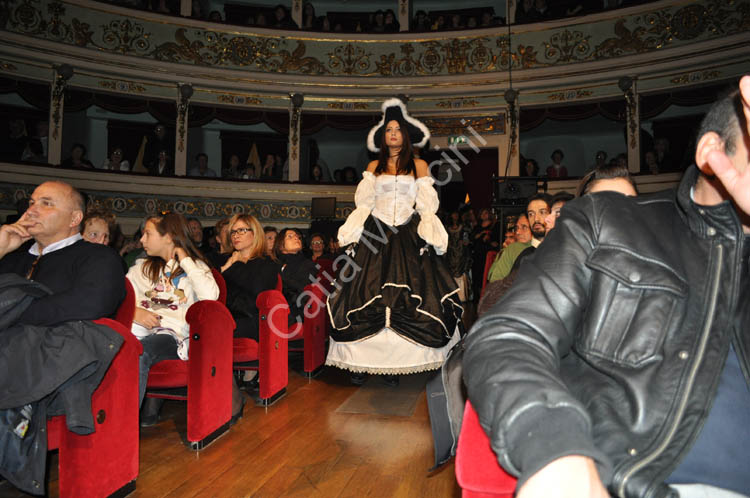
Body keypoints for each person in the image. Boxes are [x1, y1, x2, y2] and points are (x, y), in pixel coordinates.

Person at [464, 77, 750, 498]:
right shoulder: (604, 222)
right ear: (712, 153)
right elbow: (509, 332)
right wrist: (557, 450)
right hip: (636, 480)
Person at [326, 98, 463, 386]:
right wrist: (353, 232)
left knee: (415, 291)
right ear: (382, 136)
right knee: (364, 292)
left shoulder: (421, 165)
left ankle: (403, 365)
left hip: (409, 235)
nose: (392, 133)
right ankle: (362, 363)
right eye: (388, 129)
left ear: (406, 134)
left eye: (397, 129)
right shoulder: (374, 165)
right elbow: (365, 204)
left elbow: (426, 205)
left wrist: (428, 229)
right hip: (375, 234)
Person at [127, 213, 227, 425]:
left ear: (169, 237)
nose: (142, 240)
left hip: (174, 337)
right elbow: (119, 296)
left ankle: (122, 427)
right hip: (141, 332)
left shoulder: (195, 268)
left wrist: (185, 259)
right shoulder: (141, 268)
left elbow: (211, 298)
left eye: (147, 233)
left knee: (139, 353)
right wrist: (135, 312)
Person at [0, 181, 125, 324]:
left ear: (74, 219)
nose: (30, 211)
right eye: (31, 203)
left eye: (46, 203)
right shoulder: (10, 257)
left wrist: (8, 313)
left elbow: (90, 305)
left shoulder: (99, 257)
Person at [220, 214, 279, 342]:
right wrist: (226, 268)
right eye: (233, 232)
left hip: (252, 320)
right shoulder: (227, 261)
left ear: (255, 233)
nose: (236, 235)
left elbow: (256, 294)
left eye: (242, 230)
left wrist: (235, 266)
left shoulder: (267, 263)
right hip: (228, 317)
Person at [274, 228, 317, 327]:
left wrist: (283, 275)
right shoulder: (273, 264)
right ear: (280, 245)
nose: (296, 238)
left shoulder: (308, 264)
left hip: (297, 310)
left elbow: (303, 290)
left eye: (298, 237)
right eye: (290, 236)